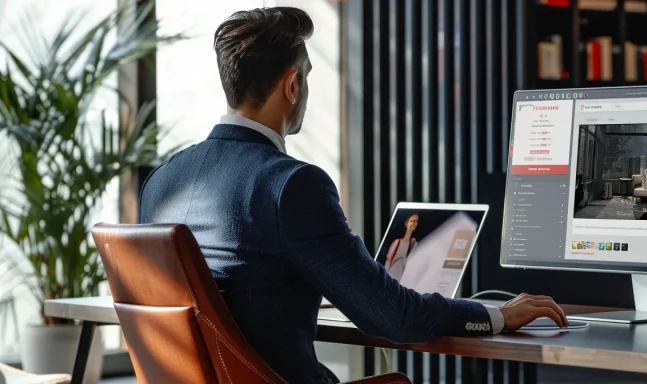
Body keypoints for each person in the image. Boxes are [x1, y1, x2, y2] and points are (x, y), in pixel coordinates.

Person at [137, 7, 566, 383]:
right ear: (292, 85)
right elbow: (394, 318)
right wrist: (497, 314)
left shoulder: (162, 181)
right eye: (306, 77)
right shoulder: (291, 185)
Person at [385, 214, 419, 280]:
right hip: (391, 275)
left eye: (416, 221)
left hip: (403, 278)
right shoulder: (397, 242)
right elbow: (388, 260)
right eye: (412, 221)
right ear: (407, 223)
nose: (414, 223)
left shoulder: (413, 243)